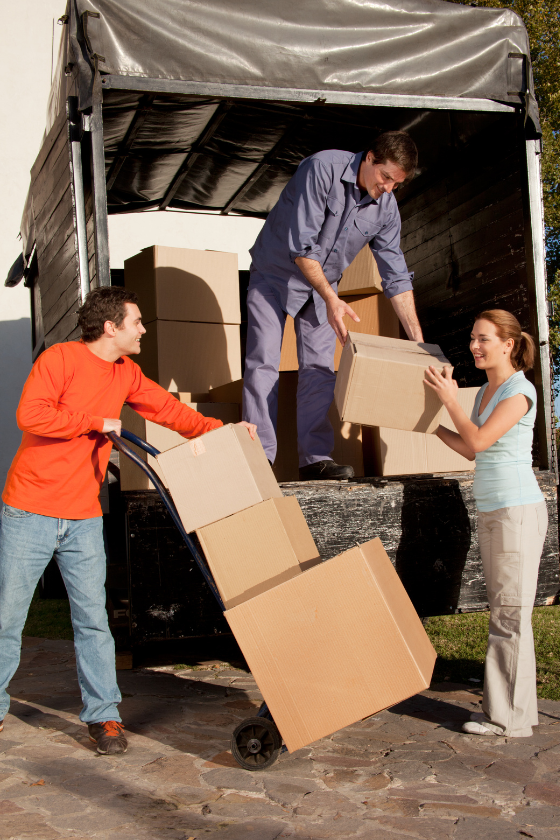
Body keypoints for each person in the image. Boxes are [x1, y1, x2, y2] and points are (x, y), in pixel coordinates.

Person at [0, 287, 256, 755]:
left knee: (94, 620)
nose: (143, 329)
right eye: (136, 321)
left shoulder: (126, 373)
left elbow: (170, 410)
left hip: (83, 516)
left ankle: (104, 717)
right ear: (110, 326)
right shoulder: (60, 359)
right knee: (7, 618)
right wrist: (95, 422)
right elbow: (30, 414)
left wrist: (227, 430)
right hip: (30, 509)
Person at [243, 131, 424, 480]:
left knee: (320, 369)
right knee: (263, 361)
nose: (388, 188)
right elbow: (302, 248)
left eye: (396, 184)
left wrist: (418, 343)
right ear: (369, 157)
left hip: (324, 285)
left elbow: (396, 276)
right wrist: (331, 300)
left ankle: (314, 459)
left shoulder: (386, 207)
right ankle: (258, 457)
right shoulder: (321, 168)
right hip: (275, 273)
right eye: (386, 177)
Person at [425, 309, 547, 738]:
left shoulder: (519, 390)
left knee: (509, 615)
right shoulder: (485, 393)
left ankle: (507, 719)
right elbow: (470, 450)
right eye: (473, 339)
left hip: (517, 512)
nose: (475, 346)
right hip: (495, 511)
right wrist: (433, 426)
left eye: (484, 339)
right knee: (506, 611)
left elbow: (479, 439)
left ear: (508, 344)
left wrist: (448, 400)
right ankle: (516, 713)